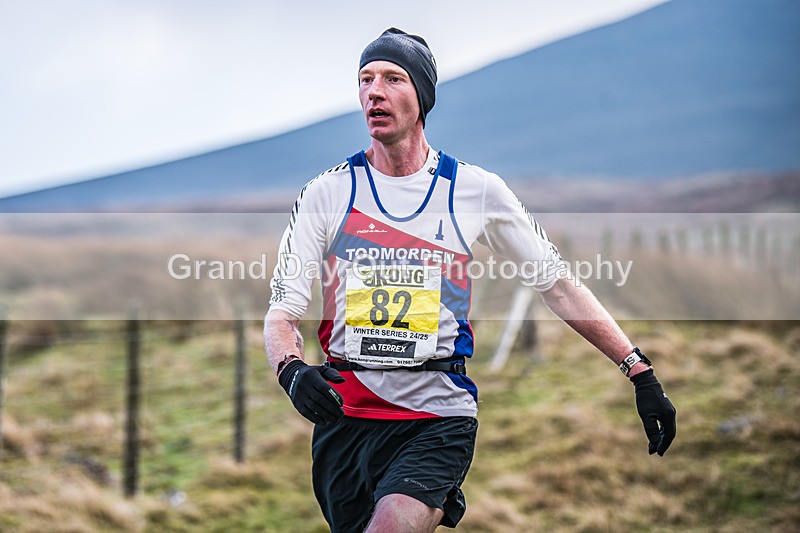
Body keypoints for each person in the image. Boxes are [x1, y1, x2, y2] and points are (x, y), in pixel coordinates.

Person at [264, 28, 676, 533]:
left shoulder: (475, 191)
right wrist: (290, 370)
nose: (374, 91)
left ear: (422, 95)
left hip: (438, 414)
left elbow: (559, 285)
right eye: (365, 79)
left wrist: (638, 371)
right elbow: (283, 309)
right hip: (347, 420)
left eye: (393, 78)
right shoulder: (327, 193)